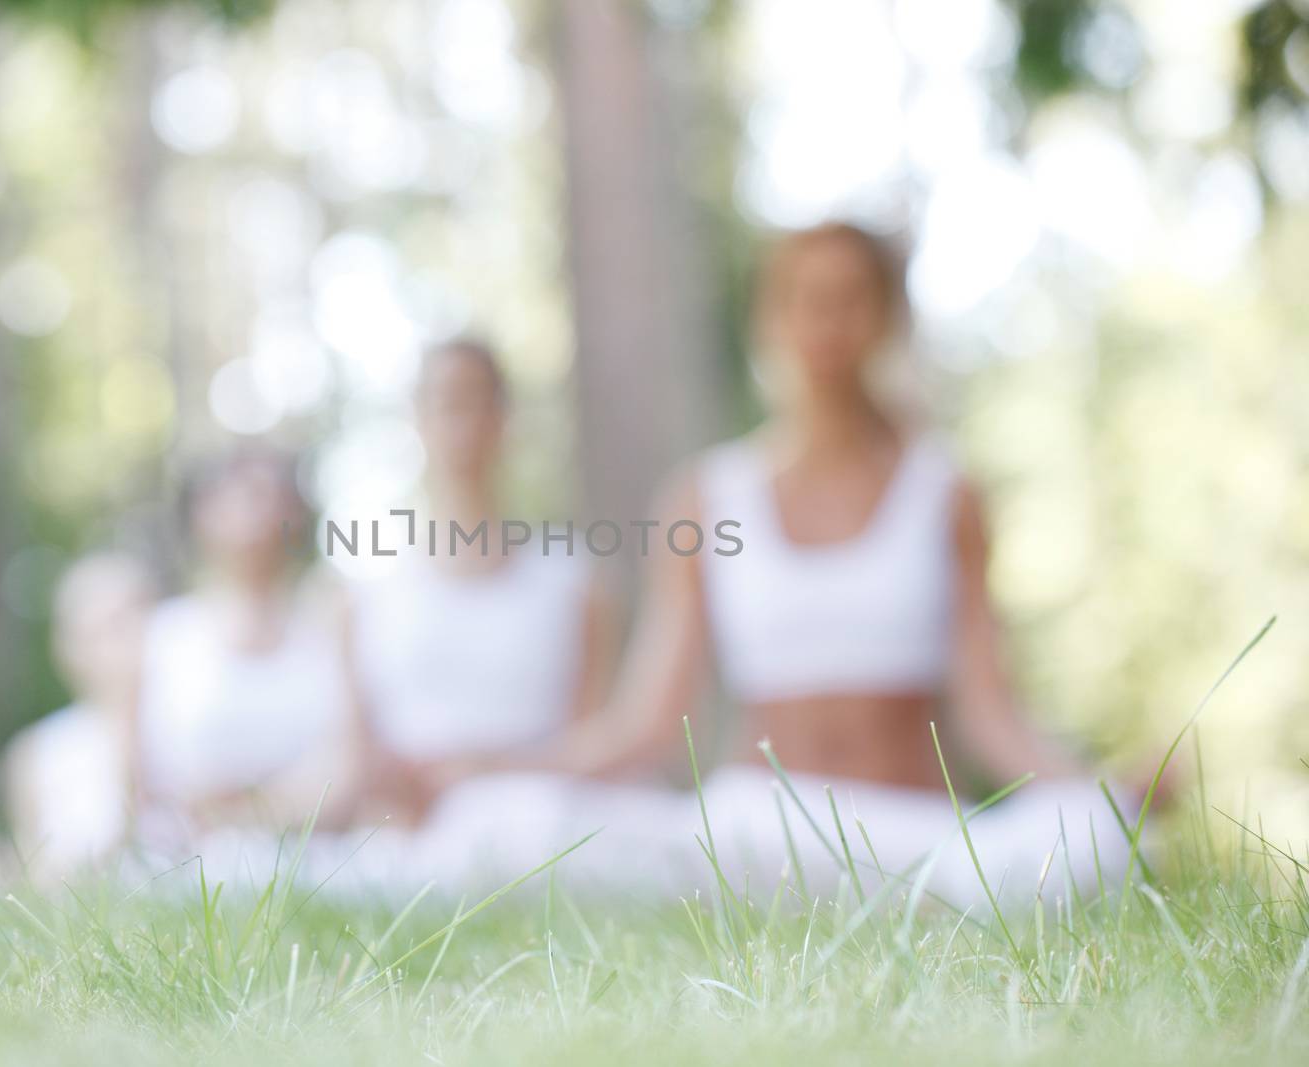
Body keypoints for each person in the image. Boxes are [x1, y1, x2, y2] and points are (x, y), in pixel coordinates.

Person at [375, 223, 1140, 908]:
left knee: (1087, 838)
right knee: (516, 822)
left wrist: (1096, 793)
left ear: (889, 320)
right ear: (768, 321)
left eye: (851, 299)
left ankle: (963, 884)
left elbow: (989, 711)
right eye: (805, 300)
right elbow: (645, 726)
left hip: (915, 835)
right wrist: (494, 769)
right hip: (754, 837)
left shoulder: (945, 494)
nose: (828, 324)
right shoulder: (707, 497)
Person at [342, 339, 615, 825]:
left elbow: (593, 745)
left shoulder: (573, 581)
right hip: (407, 833)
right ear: (418, 420)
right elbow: (354, 755)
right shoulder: (367, 591)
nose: (464, 425)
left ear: (505, 419)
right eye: (447, 403)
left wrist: (488, 772)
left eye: (479, 402)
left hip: (541, 825)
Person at [135, 446, 347, 869]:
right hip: (184, 857)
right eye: (238, 493)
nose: (256, 509)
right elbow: (137, 779)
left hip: (317, 860)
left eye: (272, 495)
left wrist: (246, 812)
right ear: (200, 515)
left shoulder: (331, 631)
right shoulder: (163, 637)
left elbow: (348, 774)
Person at [3, 552, 154, 879]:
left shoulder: (191, 727)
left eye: (123, 623)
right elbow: (33, 872)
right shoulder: (39, 752)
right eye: (92, 633)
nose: (115, 647)